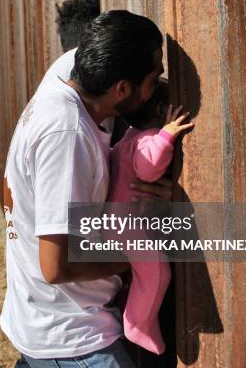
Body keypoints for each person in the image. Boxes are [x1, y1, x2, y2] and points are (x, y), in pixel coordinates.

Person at [1, 10, 173, 367]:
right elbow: (55, 267)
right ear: (121, 89)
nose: (159, 85)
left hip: (42, 319)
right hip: (72, 337)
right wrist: (136, 261)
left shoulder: (70, 74)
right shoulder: (67, 135)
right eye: (153, 78)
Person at [106, 92, 193, 354]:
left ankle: (136, 318)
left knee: (142, 276)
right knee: (157, 273)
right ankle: (138, 324)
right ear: (160, 112)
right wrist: (167, 135)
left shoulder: (126, 138)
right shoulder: (146, 138)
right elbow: (147, 168)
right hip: (127, 226)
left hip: (117, 223)